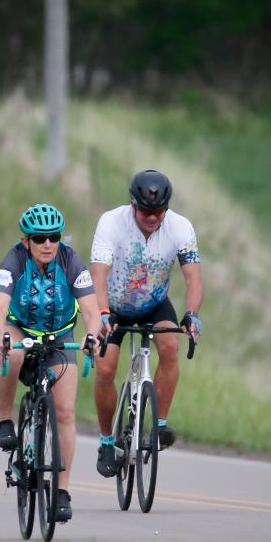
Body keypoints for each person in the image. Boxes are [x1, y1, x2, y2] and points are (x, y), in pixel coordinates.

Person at [90, 169, 204, 478]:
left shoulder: (181, 228)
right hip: (112, 306)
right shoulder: (111, 222)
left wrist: (191, 313)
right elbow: (98, 275)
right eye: (146, 211)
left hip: (153, 304)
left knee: (169, 346)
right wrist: (101, 313)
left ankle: (159, 426)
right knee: (105, 368)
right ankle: (106, 441)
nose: (153, 217)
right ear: (132, 204)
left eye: (159, 211)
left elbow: (193, 279)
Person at [0, 203, 100, 523]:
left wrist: (92, 336)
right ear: (27, 241)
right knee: (13, 353)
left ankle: (62, 492)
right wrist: (1, 336)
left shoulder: (70, 260)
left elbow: (92, 312)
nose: (48, 244)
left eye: (54, 236)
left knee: (65, 411)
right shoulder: (13, 260)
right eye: (40, 238)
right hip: (19, 328)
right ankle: (4, 421)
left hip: (59, 335)